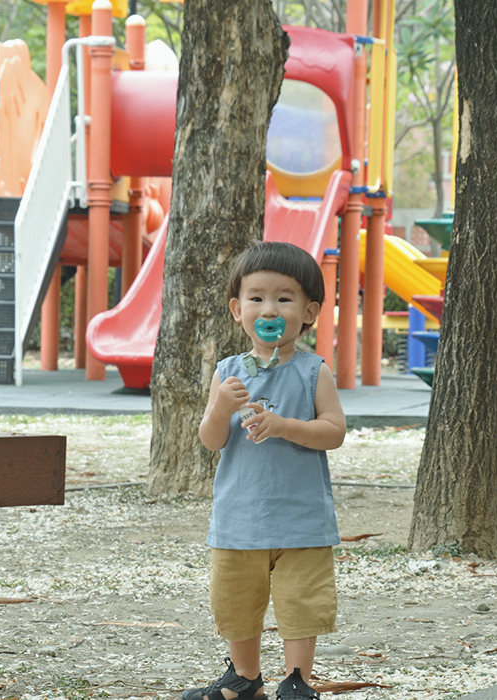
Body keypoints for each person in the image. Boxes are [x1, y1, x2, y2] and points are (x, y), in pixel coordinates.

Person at [185, 241, 346, 700]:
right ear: (238, 309)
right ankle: (244, 676)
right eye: (256, 298)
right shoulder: (228, 373)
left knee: (301, 600)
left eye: (284, 298)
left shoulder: (315, 371)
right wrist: (219, 408)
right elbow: (211, 440)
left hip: (302, 519)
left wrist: (284, 426)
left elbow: (334, 431)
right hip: (240, 517)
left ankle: (297, 679)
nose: (268, 308)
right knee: (237, 599)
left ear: (309, 311)